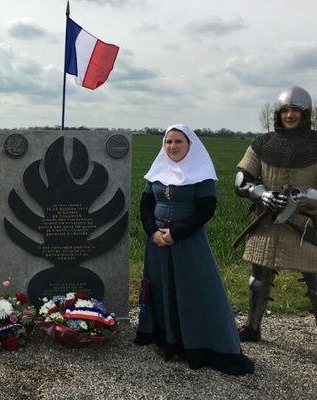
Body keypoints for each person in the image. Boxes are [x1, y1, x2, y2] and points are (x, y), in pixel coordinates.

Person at [134, 124, 254, 376]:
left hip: (187, 243)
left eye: (179, 142)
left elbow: (206, 209)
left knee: (194, 291)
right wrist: (152, 232)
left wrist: (176, 234)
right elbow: (146, 203)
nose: (173, 147)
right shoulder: (157, 170)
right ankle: (167, 338)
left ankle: (199, 344)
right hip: (157, 243)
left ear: (190, 145)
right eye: (168, 142)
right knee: (161, 289)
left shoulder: (202, 173)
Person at [235, 85, 317, 341]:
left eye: (295, 110)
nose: (290, 115)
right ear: (278, 114)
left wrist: (306, 196)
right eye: (285, 110)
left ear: (305, 114)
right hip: (267, 221)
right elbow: (241, 179)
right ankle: (252, 328)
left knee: (315, 283)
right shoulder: (263, 144)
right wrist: (261, 193)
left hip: (306, 224)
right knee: (258, 280)